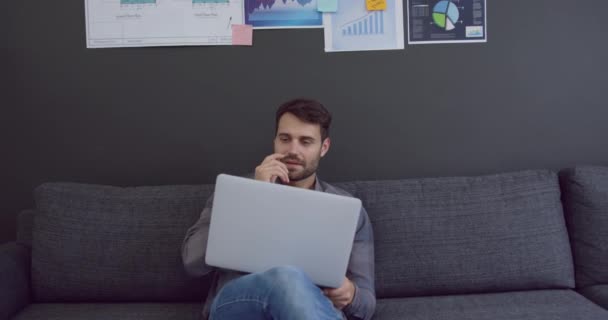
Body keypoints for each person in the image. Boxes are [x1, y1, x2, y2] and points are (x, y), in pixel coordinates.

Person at [181, 98, 376, 320]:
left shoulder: (350, 211)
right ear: (275, 140)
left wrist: (350, 294)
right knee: (286, 276)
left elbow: (367, 306)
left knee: (293, 281)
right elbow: (192, 263)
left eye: (305, 142)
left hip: (312, 309)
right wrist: (253, 195)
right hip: (238, 306)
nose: (293, 150)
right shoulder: (236, 192)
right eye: (285, 139)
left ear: (324, 148)